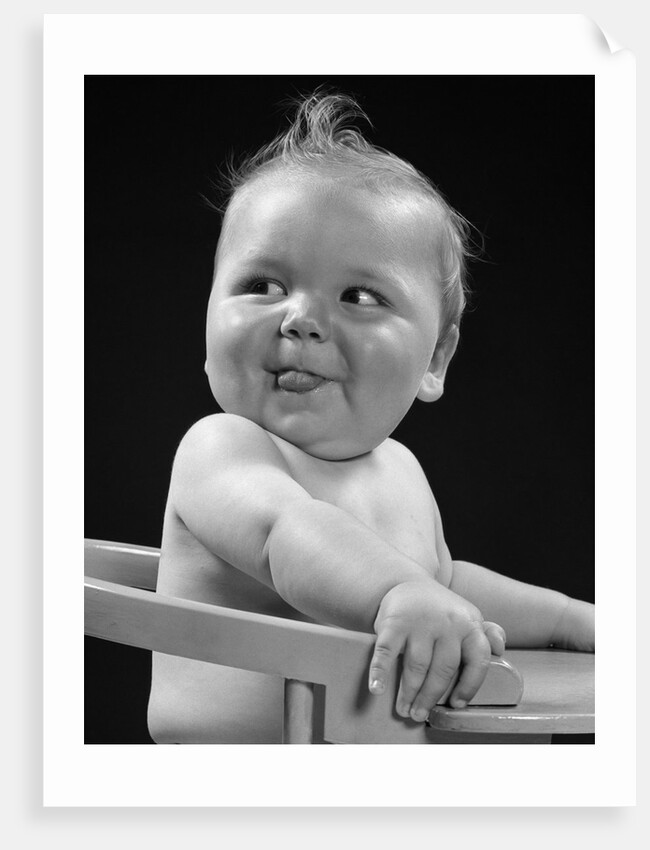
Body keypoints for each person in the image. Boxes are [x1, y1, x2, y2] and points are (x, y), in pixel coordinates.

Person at [147, 91, 594, 744]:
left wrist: (565, 620)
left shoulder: (401, 470)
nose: (298, 318)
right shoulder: (221, 450)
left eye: (359, 296)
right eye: (262, 286)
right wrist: (397, 595)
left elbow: (443, 582)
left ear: (435, 357)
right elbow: (285, 533)